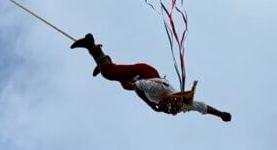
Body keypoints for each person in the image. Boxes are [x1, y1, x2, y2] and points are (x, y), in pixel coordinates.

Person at [71, 33, 231, 121]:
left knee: (125, 84)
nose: (169, 112)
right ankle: (91, 45)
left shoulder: (181, 104)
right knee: (110, 74)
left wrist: (221, 114)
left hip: (145, 75)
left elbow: (201, 107)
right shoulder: (157, 90)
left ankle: (105, 64)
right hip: (144, 72)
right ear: (165, 102)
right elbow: (139, 87)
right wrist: (149, 105)